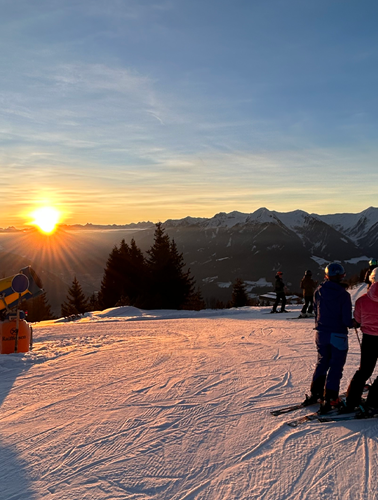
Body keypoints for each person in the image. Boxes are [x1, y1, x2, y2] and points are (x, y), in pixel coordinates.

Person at [302, 263, 354, 413]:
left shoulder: (319, 291)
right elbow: (345, 320)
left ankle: (316, 393)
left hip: (321, 333)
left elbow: (315, 309)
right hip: (338, 334)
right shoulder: (344, 295)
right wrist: (353, 323)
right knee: (336, 365)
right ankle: (331, 398)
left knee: (322, 361)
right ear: (342, 275)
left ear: (327, 275)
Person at [342, 270, 378, 415]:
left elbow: (357, 320)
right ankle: (374, 402)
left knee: (364, 370)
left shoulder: (362, 300)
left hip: (369, 338)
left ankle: (352, 400)